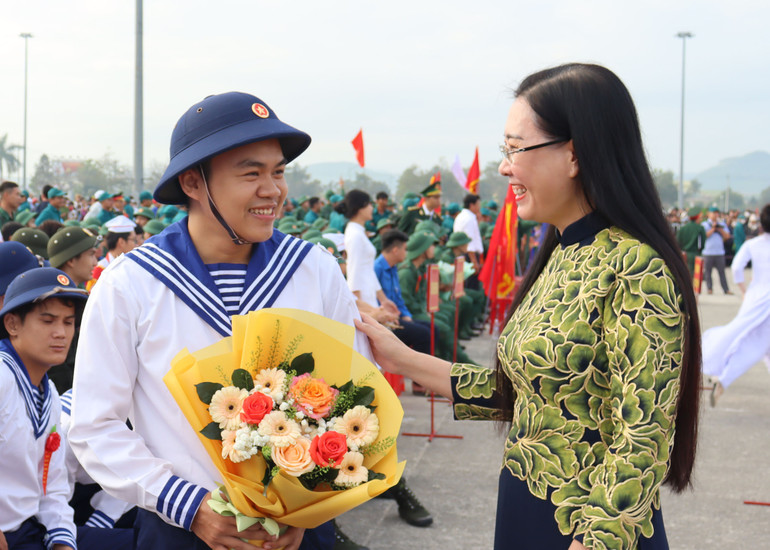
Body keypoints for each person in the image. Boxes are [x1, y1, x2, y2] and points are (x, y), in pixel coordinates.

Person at [356, 63, 701, 550]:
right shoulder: (561, 253)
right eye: (505, 150)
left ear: (575, 155)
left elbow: (642, 438)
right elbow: (522, 394)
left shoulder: (635, 269)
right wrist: (397, 356)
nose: (504, 166)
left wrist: (595, 541)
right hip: (525, 502)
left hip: (591, 528)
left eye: (516, 148)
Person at [68, 91, 373, 550]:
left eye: (278, 172)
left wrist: (312, 500)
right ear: (193, 183)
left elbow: (355, 401)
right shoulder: (131, 284)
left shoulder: (315, 270)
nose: (272, 190)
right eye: (251, 173)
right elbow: (95, 426)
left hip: (299, 533)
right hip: (180, 530)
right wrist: (187, 505)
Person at [0, 267, 89, 550]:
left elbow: (52, 487)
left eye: (68, 322)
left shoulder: (48, 392)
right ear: (13, 324)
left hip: (28, 530)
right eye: (48, 320)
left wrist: (62, 542)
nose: (61, 333)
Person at [703, 203, 770, 406]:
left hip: (756, 298)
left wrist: (744, 290)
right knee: (758, 346)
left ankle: (722, 377)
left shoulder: (753, 244)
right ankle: (723, 379)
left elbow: (737, 267)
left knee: (744, 339)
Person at [339, 189, 400, 322]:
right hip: (362, 296)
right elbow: (353, 273)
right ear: (360, 208)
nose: (372, 208)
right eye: (369, 204)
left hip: (368, 292)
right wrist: (360, 309)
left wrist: (383, 300)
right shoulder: (355, 235)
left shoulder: (359, 232)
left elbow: (368, 270)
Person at [701, 206, 732, 294]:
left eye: (717, 213)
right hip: (708, 252)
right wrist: (713, 228)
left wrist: (719, 229)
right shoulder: (705, 225)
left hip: (719, 252)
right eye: (713, 213)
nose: (715, 215)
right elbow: (705, 235)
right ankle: (709, 288)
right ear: (709, 214)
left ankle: (726, 289)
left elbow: (727, 236)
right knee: (708, 272)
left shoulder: (722, 224)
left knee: (722, 272)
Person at [453, 194, 484, 274]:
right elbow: (470, 242)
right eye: (478, 205)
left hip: (465, 253)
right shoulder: (469, 218)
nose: (479, 207)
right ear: (471, 205)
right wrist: (474, 262)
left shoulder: (463, 216)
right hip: (468, 256)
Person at [676, 207, 706, 276]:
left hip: (684, 254)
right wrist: (699, 251)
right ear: (697, 217)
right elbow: (702, 243)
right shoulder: (700, 228)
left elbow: (677, 242)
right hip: (696, 254)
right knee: (696, 277)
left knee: (686, 275)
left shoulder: (683, 228)